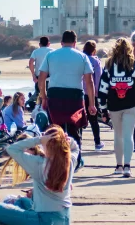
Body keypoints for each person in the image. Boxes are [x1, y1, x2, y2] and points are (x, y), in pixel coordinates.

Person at [0, 125, 77, 225]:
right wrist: (69, 141)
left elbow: (12, 149)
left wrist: (38, 140)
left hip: (46, 223)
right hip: (65, 221)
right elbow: (76, 148)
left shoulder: (39, 164)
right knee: (21, 202)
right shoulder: (69, 161)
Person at [37, 30, 97, 171]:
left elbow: (41, 79)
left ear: (61, 42)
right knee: (74, 129)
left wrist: (43, 96)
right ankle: (76, 160)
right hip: (75, 96)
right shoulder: (82, 57)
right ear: (75, 43)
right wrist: (92, 104)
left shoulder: (51, 55)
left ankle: (54, 160)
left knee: (55, 129)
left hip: (55, 94)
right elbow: (89, 83)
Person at [98, 38, 135, 178]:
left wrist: (103, 110)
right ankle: (127, 166)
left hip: (114, 106)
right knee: (128, 135)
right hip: (132, 105)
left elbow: (102, 89)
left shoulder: (109, 65)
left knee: (118, 135)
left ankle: (118, 166)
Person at [82, 41, 104, 150]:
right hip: (92, 94)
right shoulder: (96, 61)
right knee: (94, 120)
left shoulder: (80, 58)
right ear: (94, 50)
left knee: (79, 119)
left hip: (79, 94)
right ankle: (97, 143)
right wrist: (98, 94)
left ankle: (78, 142)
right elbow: (98, 78)